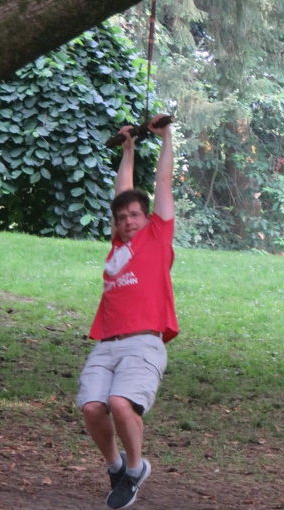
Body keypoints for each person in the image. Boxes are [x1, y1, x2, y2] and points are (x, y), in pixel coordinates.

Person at [76, 114, 179, 510]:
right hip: (107, 342)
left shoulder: (157, 237)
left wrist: (166, 137)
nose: (127, 221)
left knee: (121, 403)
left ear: (148, 218)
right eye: (122, 218)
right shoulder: (117, 247)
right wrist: (129, 148)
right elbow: (123, 191)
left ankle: (136, 470)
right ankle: (116, 465)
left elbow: (162, 184)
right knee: (92, 409)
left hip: (143, 342)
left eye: (134, 215)